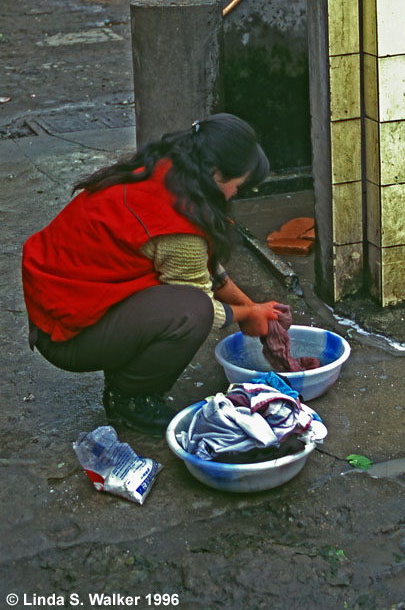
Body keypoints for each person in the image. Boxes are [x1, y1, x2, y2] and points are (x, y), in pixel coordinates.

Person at [22, 114, 283, 437]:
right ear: (216, 174)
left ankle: (126, 371)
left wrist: (251, 307)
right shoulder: (176, 217)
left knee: (186, 302)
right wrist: (247, 314)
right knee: (192, 312)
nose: (235, 195)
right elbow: (205, 302)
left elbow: (205, 266)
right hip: (67, 333)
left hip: (67, 306)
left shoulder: (172, 168)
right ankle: (130, 398)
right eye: (238, 186)